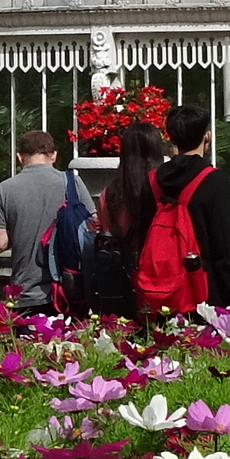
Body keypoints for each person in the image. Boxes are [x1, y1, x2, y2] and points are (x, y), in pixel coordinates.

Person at [154, 104, 230, 310]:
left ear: (171, 138)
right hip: (205, 295)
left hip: (159, 294)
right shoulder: (215, 181)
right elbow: (225, 249)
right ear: (207, 137)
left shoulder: (153, 181)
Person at [71, 124, 167, 320]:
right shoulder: (164, 191)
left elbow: (106, 233)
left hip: (121, 282)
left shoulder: (110, 193)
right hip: (160, 276)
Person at [0, 127, 85, 310]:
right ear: (53, 156)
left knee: (26, 338)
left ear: (20, 157)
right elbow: (91, 226)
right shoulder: (72, 183)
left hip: (25, 292)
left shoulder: (5, 189)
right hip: (68, 290)